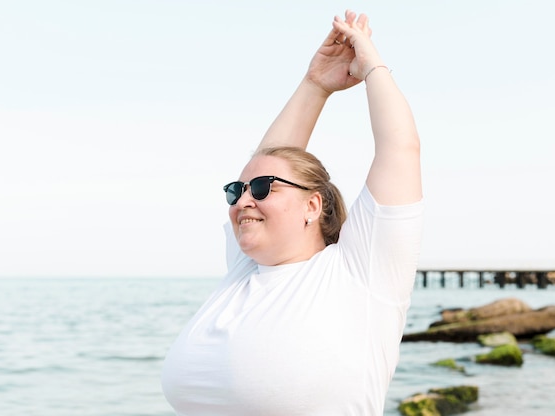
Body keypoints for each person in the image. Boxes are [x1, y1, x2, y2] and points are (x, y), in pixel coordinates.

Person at [161, 9, 423, 415]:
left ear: (311, 205)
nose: (244, 200)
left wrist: (372, 65)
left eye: (263, 189)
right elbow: (268, 158)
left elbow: (399, 150)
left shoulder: (362, 274)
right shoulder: (243, 274)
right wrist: (315, 84)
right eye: (237, 190)